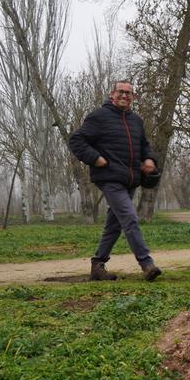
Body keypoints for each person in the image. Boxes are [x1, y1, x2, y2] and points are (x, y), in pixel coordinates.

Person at [68, 80, 163, 282]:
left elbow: (144, 146)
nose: (125, 96)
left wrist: (149, 159)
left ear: (133, 98)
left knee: (114, 224)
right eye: (121, 92)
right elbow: (76, 140)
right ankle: (147, 264)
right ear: (112, 94)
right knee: (130, 218)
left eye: (129, 93)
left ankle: (98, 265)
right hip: (109, 177)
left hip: (130, 179)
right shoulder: (99, 116)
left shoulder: (136, 121)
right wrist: (95, 158)